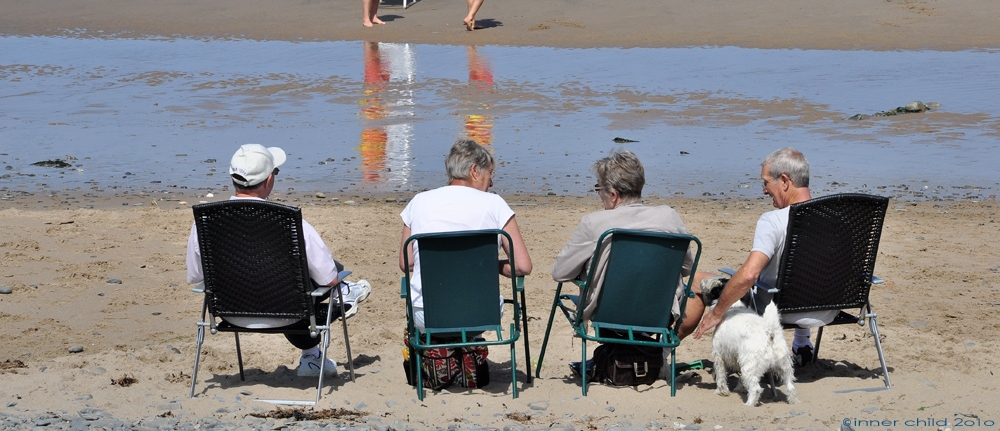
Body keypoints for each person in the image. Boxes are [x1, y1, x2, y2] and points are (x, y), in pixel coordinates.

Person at [186, 143, 372, 377]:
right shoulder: (289, 222)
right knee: (328, 276)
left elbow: (196, 276)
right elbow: (329, 278)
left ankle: (316, 348)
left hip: (231, 314)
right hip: (289, 315)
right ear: (268, 181)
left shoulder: (204, 223)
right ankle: (346, 299)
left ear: (233, 179)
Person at [693, 147, 833, 365]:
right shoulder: (834, 219)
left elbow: (749, 275)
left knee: (698, 281)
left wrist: (717, 313)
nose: (764, 191)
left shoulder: (774, 221)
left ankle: (661, 353)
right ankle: (802, 342)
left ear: (785, 181)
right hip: (827, 310)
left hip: (781, 310)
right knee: (807, 269)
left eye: (766, 183)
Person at [551, 150, 710, 339]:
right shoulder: (669, 217)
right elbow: (686, 267)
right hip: (660, 313)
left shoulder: (594, 223)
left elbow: (560, 272)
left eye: (598, 189)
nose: (599, 194)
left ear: (613, 194)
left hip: (606, 313)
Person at [399, 139, 532, 330]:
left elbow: (407, 263)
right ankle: (471, 352)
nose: (492, 182)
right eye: (490, 174)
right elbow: (523, 266)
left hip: (426, 314)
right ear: (474, 171)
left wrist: (452, 264)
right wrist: (480, 264)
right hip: (482, 312)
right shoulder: (495, 204)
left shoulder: (418, 202)